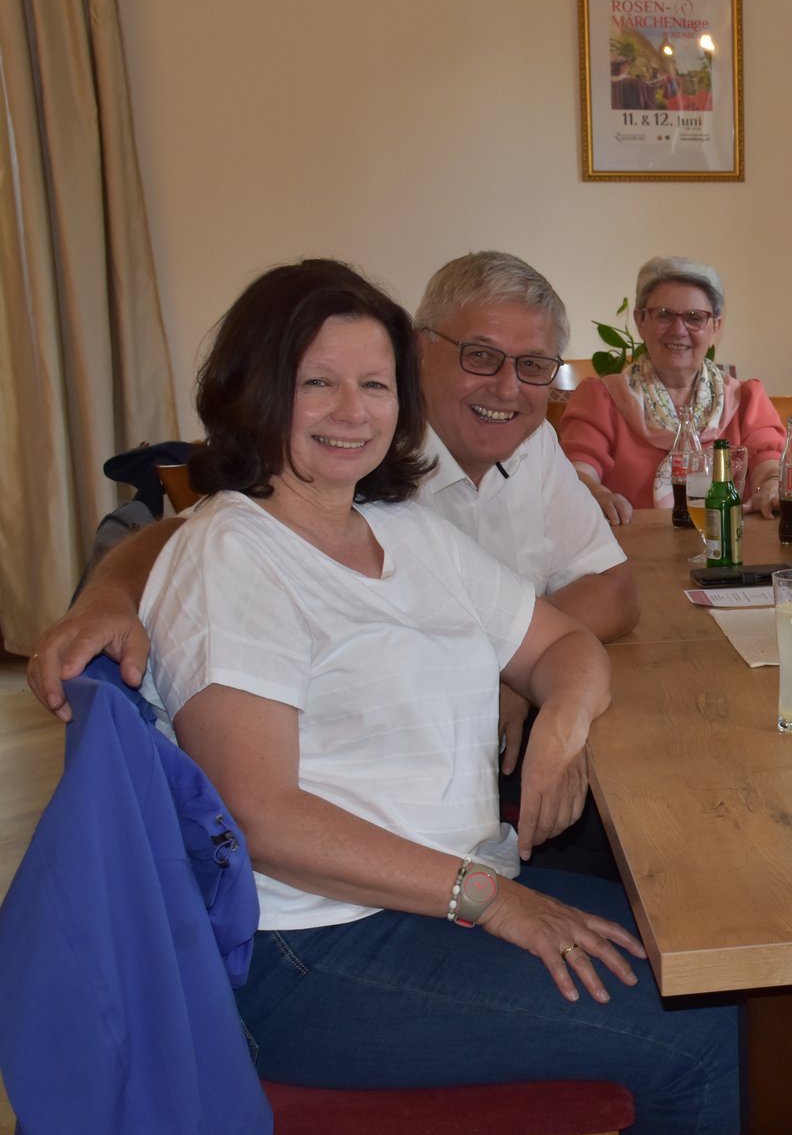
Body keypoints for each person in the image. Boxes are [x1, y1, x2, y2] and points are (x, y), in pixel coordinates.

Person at [134, 259, 737, 1135]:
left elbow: (566, 645)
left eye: (375, 385)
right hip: (313, 948)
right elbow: (259, 816)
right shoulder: (233, 554)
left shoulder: (403, 532)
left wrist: (561, 721)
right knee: (696, 1032)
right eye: (319, 383)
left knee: (707, 955)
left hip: (435, 898)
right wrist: (491, 901)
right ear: (257, 389)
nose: (354, 411)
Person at [29, 251, 639, 857]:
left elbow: (610, 593)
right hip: (386, 849)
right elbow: (192, 538)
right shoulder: (325, 475)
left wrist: (526, 678)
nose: (507, 387)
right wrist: (105, 596)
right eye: (480, 355)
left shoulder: (472, 475)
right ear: (419, 351)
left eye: (532, 365)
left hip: (460, 785)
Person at [560, 255, 785, 523]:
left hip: (725, 545)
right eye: (664, 315)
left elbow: (769, 469)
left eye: (694, 317)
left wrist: (770, 488)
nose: (679, 330)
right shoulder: (601, 399)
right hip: (632, 546)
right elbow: (576, 474)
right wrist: (594, 493)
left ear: (715, 327)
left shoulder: (746, 400)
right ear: (640, 320)